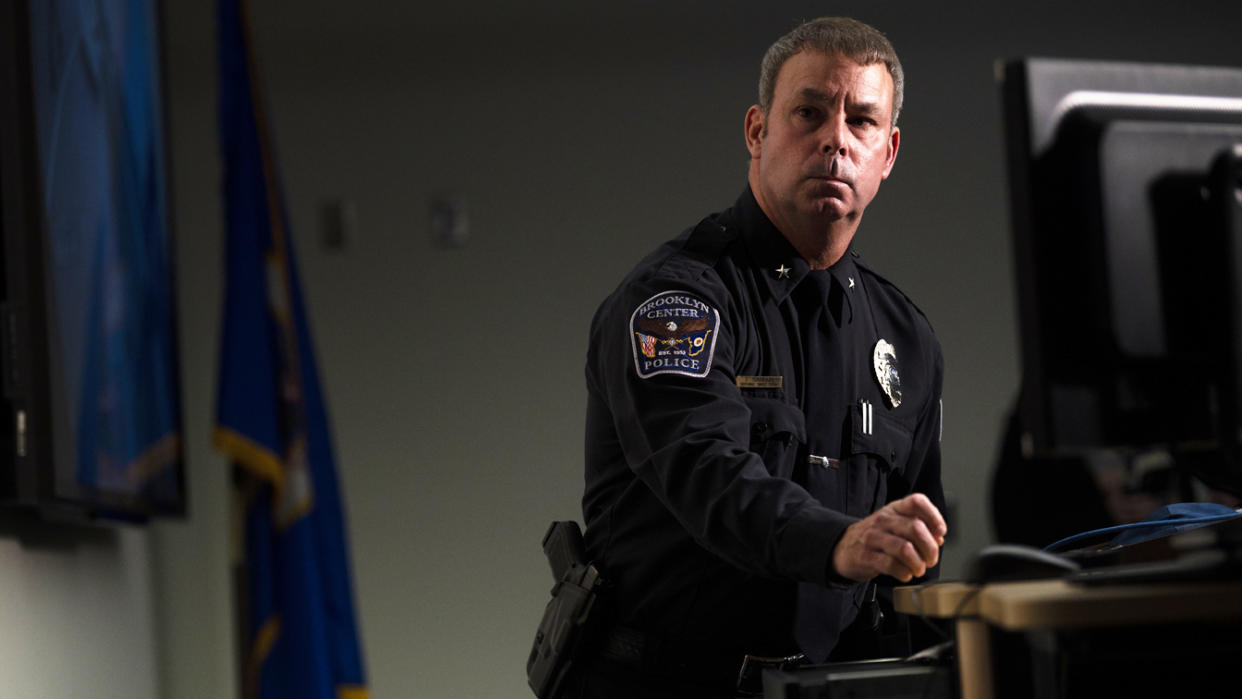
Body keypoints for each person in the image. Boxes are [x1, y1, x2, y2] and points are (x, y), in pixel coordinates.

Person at [569, 17, 947, 698]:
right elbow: (709, 474)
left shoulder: (907, 339)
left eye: (862, 121)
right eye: (809, 112)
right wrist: (838, 542)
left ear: (887, 153)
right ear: (756, 131)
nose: (835, 139)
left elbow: (910, 559)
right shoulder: (675, 301)